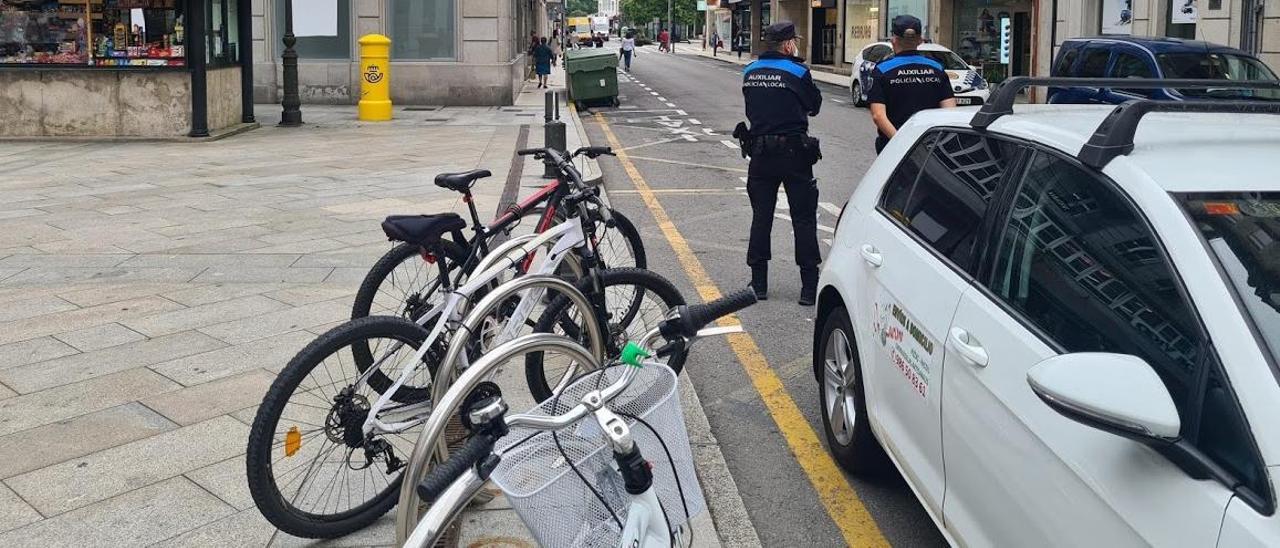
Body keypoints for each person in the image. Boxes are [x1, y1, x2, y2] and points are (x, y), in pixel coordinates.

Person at [737, 21, 823, 305]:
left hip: (760, 153)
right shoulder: (798, 71)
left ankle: (758, 283)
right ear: (788, 45)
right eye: (794, 42)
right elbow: (814, 106)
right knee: (803, 217)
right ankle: (809, 287)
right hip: (794, 154)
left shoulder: (750, 71)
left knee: (761, 217)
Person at [867, 15, 956, 154]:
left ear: (894, 40)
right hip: (931, 148)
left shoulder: (882, 70)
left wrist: (902, 143)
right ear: (920, 41)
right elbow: (950, 112)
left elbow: (878, 116)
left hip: (894, 148)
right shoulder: (937, 68)